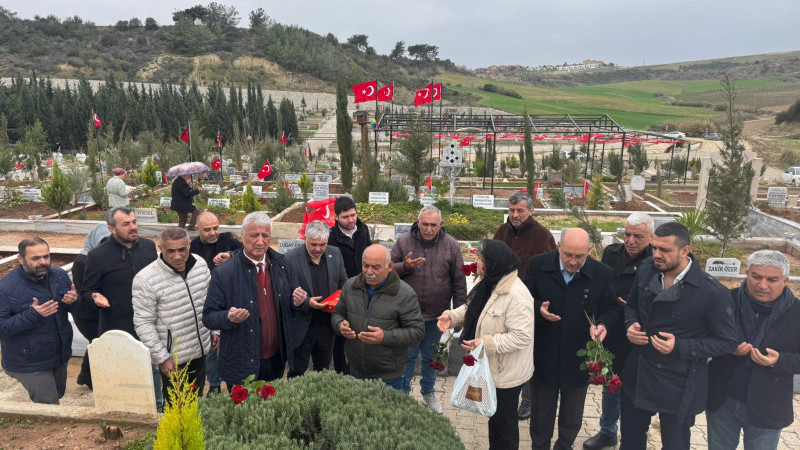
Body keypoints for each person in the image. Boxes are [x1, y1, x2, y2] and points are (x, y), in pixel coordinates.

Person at [621, 222, 738, 450]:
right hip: (639, 373)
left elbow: (727, 342)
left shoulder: (712, 292)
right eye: (654, 248)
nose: (656, 255)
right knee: (630, 440)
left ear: (685, 251)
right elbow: (631, 306)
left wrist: (681, 346)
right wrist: (630, 325)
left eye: (665, 250)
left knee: (675, 443)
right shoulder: (646, 270)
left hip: (680, 382)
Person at [524, 228, 618, 450]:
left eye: (580, 256)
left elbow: (611, 308)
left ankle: (564, 446)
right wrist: (538, 308)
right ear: (558, 246)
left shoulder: (602, 273)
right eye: (568, 255)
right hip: (544, 354)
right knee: (540, 416)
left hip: (578, 359)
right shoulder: (538, 265)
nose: (573, 262)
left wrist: (603, 325)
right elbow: (524, 298)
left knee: (572, 417)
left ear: (589, 250)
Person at [438, 240, 534, 449]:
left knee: (505, 423)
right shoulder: (490, 283)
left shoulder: (515, 295)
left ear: (493, 263)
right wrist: (451, 317)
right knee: (495, 417)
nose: (476, 262)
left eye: (480, 258)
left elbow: (522, 336)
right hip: (493, 368)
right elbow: (471, 308)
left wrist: (486, 342)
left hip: (507, 372)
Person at [706, 250, 800, 450]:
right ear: (747, 273)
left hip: (768, 405)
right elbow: (703, 339)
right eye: (756, 277)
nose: (762, 285)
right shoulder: (725, 301)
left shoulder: (796, 313)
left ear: (786, 280)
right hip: (723, 399)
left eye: (772, 279)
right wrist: (726, 348)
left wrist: (779, 361)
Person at [203, 212, 305, 385]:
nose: (260, 241)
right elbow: (208, 316)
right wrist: (228, 317)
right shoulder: (224, 273)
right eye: (254, 235)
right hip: (241, 364)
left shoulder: (282, 264)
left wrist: (298, 302)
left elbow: (292, 302)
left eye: (265, 236)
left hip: (276, 361)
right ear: (242, 237)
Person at [583, 212, 654, 450]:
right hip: (612, 328)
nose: (631, 240)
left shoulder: (655, 261)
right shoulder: (611, 253)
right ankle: (608, 431)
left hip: (639, 333)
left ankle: (632, 436)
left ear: (651, 237)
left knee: (633, 390)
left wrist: (634, 307)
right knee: (610, 383)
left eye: (638, 236)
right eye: (627, 234)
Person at [82, 206, 162, 410]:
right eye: (126, 224)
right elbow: (87, 290)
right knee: (124, 374)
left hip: (150, 323)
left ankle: (156, 409)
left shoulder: (148, 247)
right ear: (112, 228)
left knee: (153, 370)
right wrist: (94, 296)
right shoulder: (98, 255)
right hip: (118, 325)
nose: (133, 227)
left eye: (134, 222)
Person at [390, 205, 467, 414]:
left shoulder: (451, 245)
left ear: (441, 224)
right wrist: (405, 267)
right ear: (418, 222)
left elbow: (459, 281)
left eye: (434, 224)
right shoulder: (404, 241)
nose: (429, 229)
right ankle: (403, 393)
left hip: (437, 316)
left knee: (432, 357)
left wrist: (459, 315)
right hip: (408, 315)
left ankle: (428, 393)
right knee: (407, 357)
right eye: (425, 224)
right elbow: (388, 271)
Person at [493, 191, 556, 420]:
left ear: (531, 210)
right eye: (512, 210)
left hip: (528, 303)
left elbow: (551, 272)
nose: (515, 215)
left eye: (520, 210)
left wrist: (540, 304)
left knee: (526, 352)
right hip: (502, 300)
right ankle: (501, 391)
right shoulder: (502, 231)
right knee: (504, 348)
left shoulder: (542, 236)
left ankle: (528, 399)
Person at [133, 227, 214, 401]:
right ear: (160, 248)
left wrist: (215, 331)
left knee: (196, 399)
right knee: (176, 406)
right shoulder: (145, 279)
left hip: (200, 349)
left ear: (189, 245)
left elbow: (211, 301)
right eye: (171, 251)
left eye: (182, 249)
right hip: (174, 359)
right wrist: (162, 358)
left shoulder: (200, 265)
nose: (177, 256)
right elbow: (143, 322)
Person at [332, 244, 424, 391]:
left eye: (376, 267)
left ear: (390, 266)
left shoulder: (405, 294)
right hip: (355, 372)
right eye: (365, 266)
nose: (369, 272)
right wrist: (340, 324)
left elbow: (417, 332)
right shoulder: (350, 286)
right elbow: (337, 313)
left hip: (389, 378)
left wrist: (385, 337)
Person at [0, 238, 79, 404]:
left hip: (59, 354)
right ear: (21, 259)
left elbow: (74, 308)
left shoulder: (59, 275)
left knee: (58, 393)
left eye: (46, 256)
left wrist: (74, 301)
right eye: (35, 258)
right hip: (28, 361)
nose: (43, 262)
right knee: (49, 404)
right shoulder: (5, 288)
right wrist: (32, 315)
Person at [285, 220, 348, 377]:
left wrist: (338, 301)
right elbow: (284, 293)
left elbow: (343, 283)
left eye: (322, 244)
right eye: (313, 244)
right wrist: (307, 302)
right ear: (305, 238)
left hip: (327, 325)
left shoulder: (335, 253)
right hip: (302, 326)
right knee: (297, 372)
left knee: (323, 369)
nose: (318, 249)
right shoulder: (290, 258)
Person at [189, 211, 242, 395]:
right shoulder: (193, 246)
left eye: (216, 228)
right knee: (211, 345)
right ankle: (214, 383)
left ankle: (234, 382)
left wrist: (230, 255)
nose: (213, 233)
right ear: (197, 229)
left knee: (231, 344)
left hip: (230, 300)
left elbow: (246, 251)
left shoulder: (227, 240)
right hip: (207, 301)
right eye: (207, 230)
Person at [326, 195, 371, 374]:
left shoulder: (363, 230)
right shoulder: (331, 237)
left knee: (360, 334)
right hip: (341, 293)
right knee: (340, 338)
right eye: (345, 217)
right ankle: (341, 374)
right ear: (336, 217)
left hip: (364, 290)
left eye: (353, 215)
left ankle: (357, 371)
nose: (351, 220)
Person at [70, 220, 111, 390]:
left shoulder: (102, 257)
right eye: (103, 242)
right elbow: (86, 291)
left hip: (97, 310)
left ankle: (87, 377)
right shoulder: (82, 262)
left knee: (97, 342)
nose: (105, 246)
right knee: (99, 342)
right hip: (86, 313)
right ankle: (92, 380)